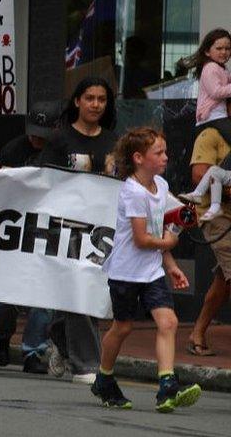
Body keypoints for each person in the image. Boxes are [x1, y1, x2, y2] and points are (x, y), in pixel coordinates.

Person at [92, 127, 202, 412]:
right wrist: (170, 241)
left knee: (169, 322)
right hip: (125, 273)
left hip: (152, 272)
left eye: (165, 151)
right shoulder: (132, 192)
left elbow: (158, 228)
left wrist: (172, 264)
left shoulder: (161, 186)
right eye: (159, 153)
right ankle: (104, 378)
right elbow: (142, 239)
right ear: (139, 158)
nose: (166, 157)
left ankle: (167, 387)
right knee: (123, 327)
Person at [41, 76, 118, 385]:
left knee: (82, 294)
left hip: (102, 231)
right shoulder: (60, 139)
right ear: (77, 101)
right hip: (65, 229)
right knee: (79, 289)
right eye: (89, 98)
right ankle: (87, 364)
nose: (95, 104)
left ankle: (59, 338)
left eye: (101, 99)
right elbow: (43, 179)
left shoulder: (114, 140)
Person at [0, 100, 61, 374]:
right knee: (8, 294)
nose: (36, 138)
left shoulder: (60, 151)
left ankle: (33, 351)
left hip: (48, 228)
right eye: (33, 131)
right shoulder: (12, 150)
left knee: (42, 294)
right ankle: (2, 338)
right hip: (14, 229)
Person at [185, 123, 231, 356]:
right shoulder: (213, 134)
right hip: (217, 216)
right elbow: (200, 174)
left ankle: (197, 333)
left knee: (224, 278)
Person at [189, 28, 231, 126]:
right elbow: (216, 92)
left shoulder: (222, 68)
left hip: (219, 116)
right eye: (219, 48)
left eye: (227, 48)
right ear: (207, 51)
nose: (224, 52)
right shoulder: (211, 67)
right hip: (211, 117)